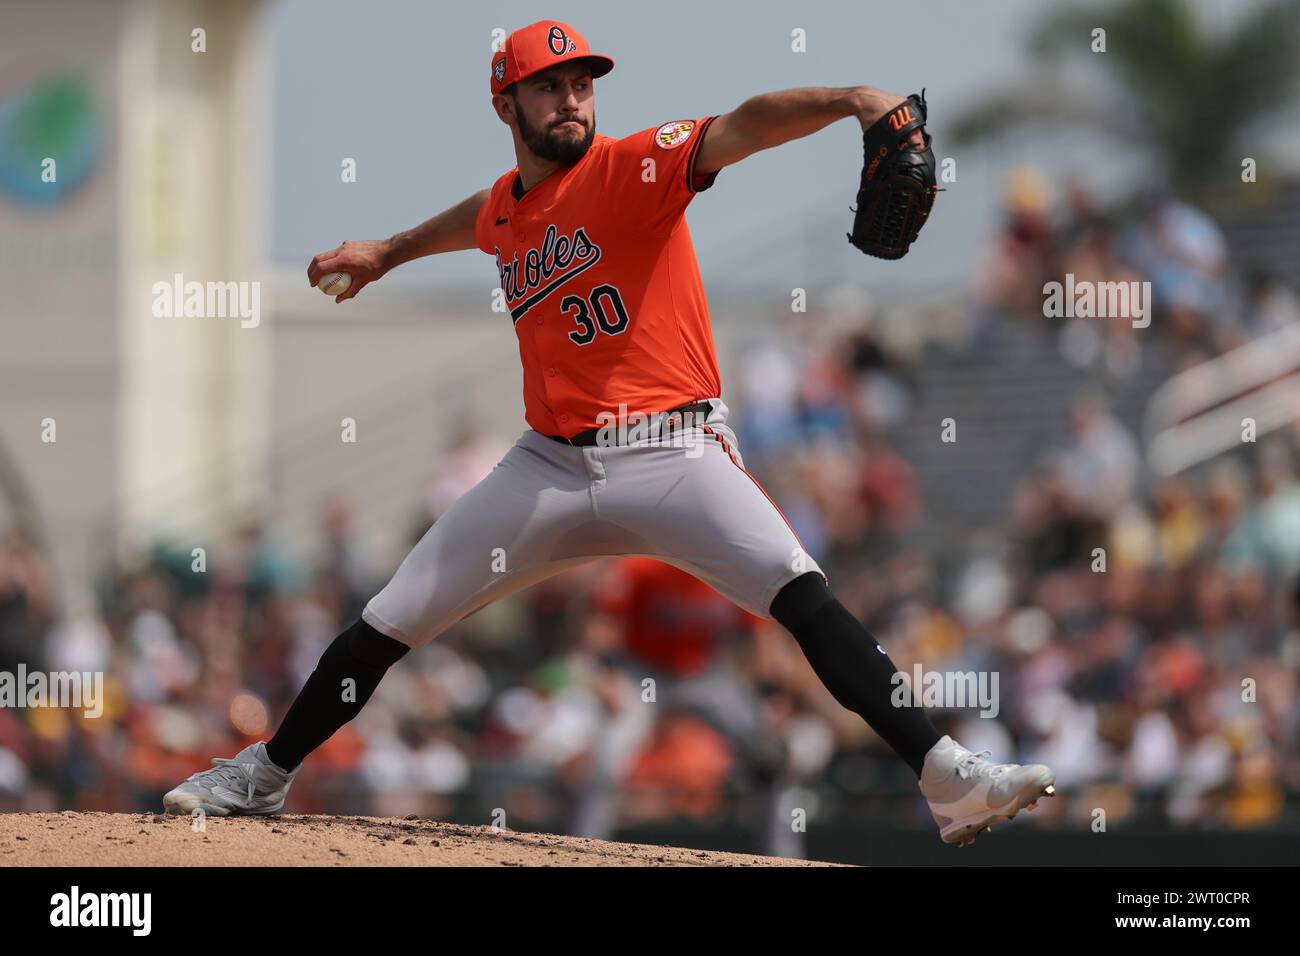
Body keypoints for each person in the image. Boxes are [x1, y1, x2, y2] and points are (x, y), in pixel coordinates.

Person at [164, 19, 1054, 848]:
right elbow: (478, 216)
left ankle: (947, 777)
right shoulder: (507, 209)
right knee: (389, 619)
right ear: (505, 104)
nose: (572, 100)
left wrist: (854, 100)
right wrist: (387, 253)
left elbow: (741, 126)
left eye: (582, 82)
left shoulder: (636, 165)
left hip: (672, 454)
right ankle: (265, 774)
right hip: (546, 466)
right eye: (549, 87)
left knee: (802, 594)